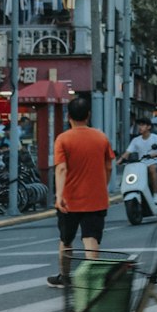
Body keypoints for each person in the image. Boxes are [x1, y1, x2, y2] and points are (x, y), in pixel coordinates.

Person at [47, 95, 114, 289]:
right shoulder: (101, 137)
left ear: (68, 116)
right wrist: (103, 185)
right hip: (96, 198)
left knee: (66, 239)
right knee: (91, 238)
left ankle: (65, 277)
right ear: (88, 115)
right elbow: (109, 166)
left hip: (69, 200)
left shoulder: (63, 139)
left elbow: (61, 169)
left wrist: (59, 196)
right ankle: (93, 278)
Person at [118, 116, 157, 198]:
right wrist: (120, 160)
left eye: (143, 125)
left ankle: (156, 194)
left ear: (149, 127)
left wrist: (155, 154)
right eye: (139, 125)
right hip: (141, 165)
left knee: (152, 168)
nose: (140, 127)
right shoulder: (136, 140)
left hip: (155, 162)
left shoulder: (156, 138)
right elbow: (127, 152)